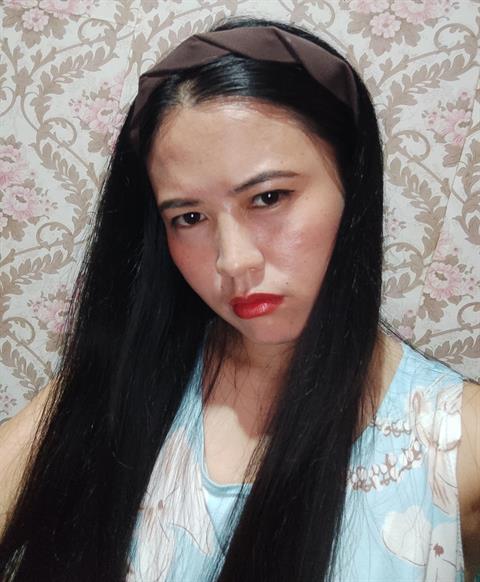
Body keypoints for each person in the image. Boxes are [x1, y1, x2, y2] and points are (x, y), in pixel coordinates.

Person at [0, 16, 478, 582]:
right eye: (189, 217)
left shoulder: (458, 442)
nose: (232, 261)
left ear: (352, 184)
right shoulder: (107, 394)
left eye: (268, 197)